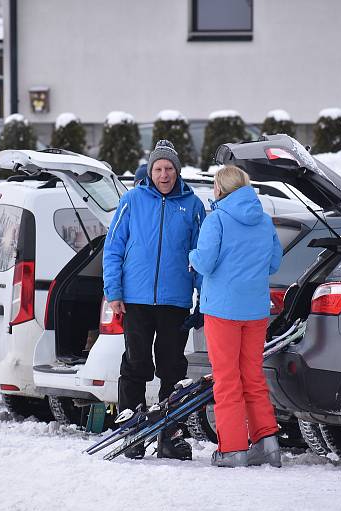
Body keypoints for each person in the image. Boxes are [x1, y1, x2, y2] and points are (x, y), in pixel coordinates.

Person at [103, 139, 206, 460]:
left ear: (177, 171)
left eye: (169, 168)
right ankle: (131, 430)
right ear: (150, 171)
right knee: (136, 363)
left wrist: (204, 298)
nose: (164, 174)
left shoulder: (192, 206)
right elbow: (113, 247)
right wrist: (114, 291)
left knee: (173, 368)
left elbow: (200, 256)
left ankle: (170, 434)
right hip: (135, 298)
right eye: (158, 168)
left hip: (175, 300)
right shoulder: (132, 200)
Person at [188, 164, 283, 468]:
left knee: (227, 379)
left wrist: (191, 256)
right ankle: (267, 444)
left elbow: (204, 263)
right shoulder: (265, 221)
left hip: (223, 311)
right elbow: (274, 264)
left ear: (219, 189)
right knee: (253, 377)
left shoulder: (217, 220)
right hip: (255, 311)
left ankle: (232, 449)